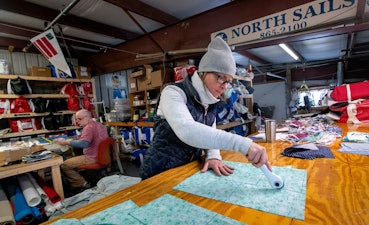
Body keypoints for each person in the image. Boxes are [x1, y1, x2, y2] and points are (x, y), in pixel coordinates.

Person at [140, 36, 272, 180]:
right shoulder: (173, 92)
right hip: (160, 173)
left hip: (188, 171)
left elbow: (210, 131)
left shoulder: (210, 101)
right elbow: (188, 131)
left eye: (228, 81)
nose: (224, 85)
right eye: (220, 77)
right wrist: (244, 144)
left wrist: (213, 155)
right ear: (203, 72)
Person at [55, 109, 109, 191]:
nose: (77, 122)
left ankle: (81, 183)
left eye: (79, 119)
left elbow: (83, 144)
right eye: (76, 119)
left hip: (92, 158)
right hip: (103, 156)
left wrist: (65, 142)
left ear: (87, 117)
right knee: (77, 152)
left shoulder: (88, 128)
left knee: (64, 165)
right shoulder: (99, 125)